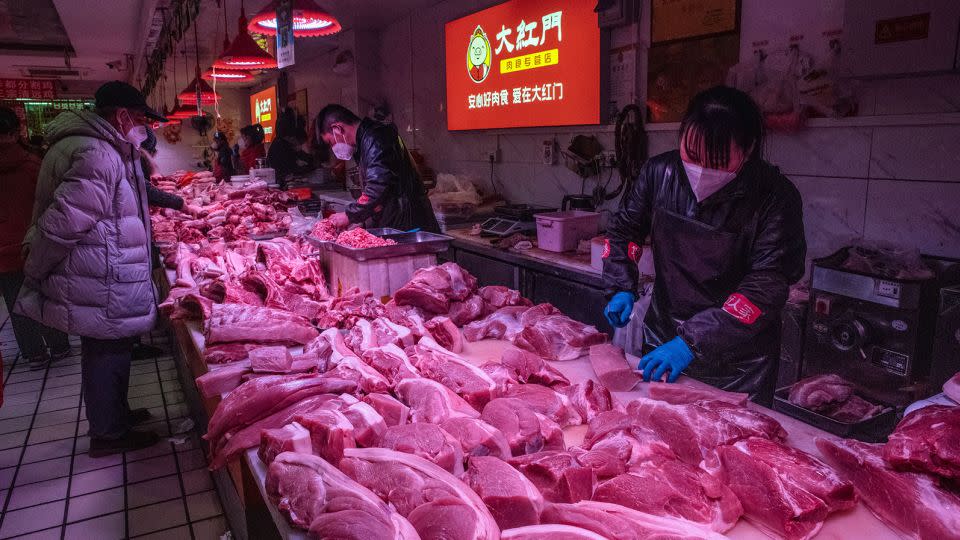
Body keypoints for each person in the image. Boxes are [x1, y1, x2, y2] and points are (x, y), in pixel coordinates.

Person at [602, 86, 806, 404]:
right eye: (693, 156)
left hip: (739, 363)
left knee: (732, 446)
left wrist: (691, 342)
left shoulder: (775, 198)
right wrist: (621, 284)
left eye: (719, 160)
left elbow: (766, 285)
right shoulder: (659, 173)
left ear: (749, 148)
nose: (703, 170)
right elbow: (625, 232)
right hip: (663, 339)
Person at [17, 81, 165, 455]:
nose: (144, 127)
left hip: (100, 268)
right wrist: (35, 270)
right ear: (121, 116)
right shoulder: (97, 152)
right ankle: (109, 433)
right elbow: (65, 221)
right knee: (105, 354)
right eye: (141, 119)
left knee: (108, 350)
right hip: (99, 273)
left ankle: (116, 417)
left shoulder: (97, 146)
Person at [0, 107, 71, 369]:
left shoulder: (34, 163)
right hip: (38, 242)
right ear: (15, 131)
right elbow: (55, 200)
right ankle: (59, 345)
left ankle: (34, 353)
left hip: (3, 250)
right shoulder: (34, 164)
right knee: (46, 296)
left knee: (17, 303)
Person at [316, 104, 439, 232]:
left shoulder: (375, 138)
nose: (333, 148)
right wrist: (363, 219)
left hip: (409, 223)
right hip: (397, 221)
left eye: (331, 142)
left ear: (337, 128)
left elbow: (377, 186)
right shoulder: (365, 141)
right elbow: (383, 192)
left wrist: (349, 215)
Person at [267, 107, 315, 189]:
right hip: (283, 188)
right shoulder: (281, 147)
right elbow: (295, 168)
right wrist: (308, 156)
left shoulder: (281, 143)